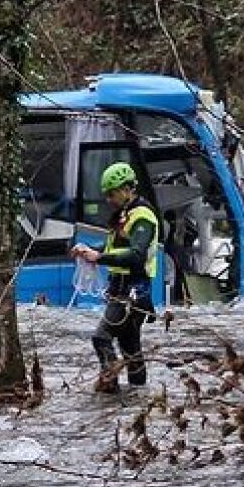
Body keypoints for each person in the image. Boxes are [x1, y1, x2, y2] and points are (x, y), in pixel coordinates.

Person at [70, 162, 159, 393]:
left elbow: (137, 255)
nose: (108, 199)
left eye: (112, 194)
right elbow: (114, 247)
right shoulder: (124, 215)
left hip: (134, 291)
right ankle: (138, 397)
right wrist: (89, 251)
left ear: (127, 189)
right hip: (121, 289)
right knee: (130, 348)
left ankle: (109, 390)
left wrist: (99, 257)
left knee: (101, 338)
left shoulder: (143, 217)